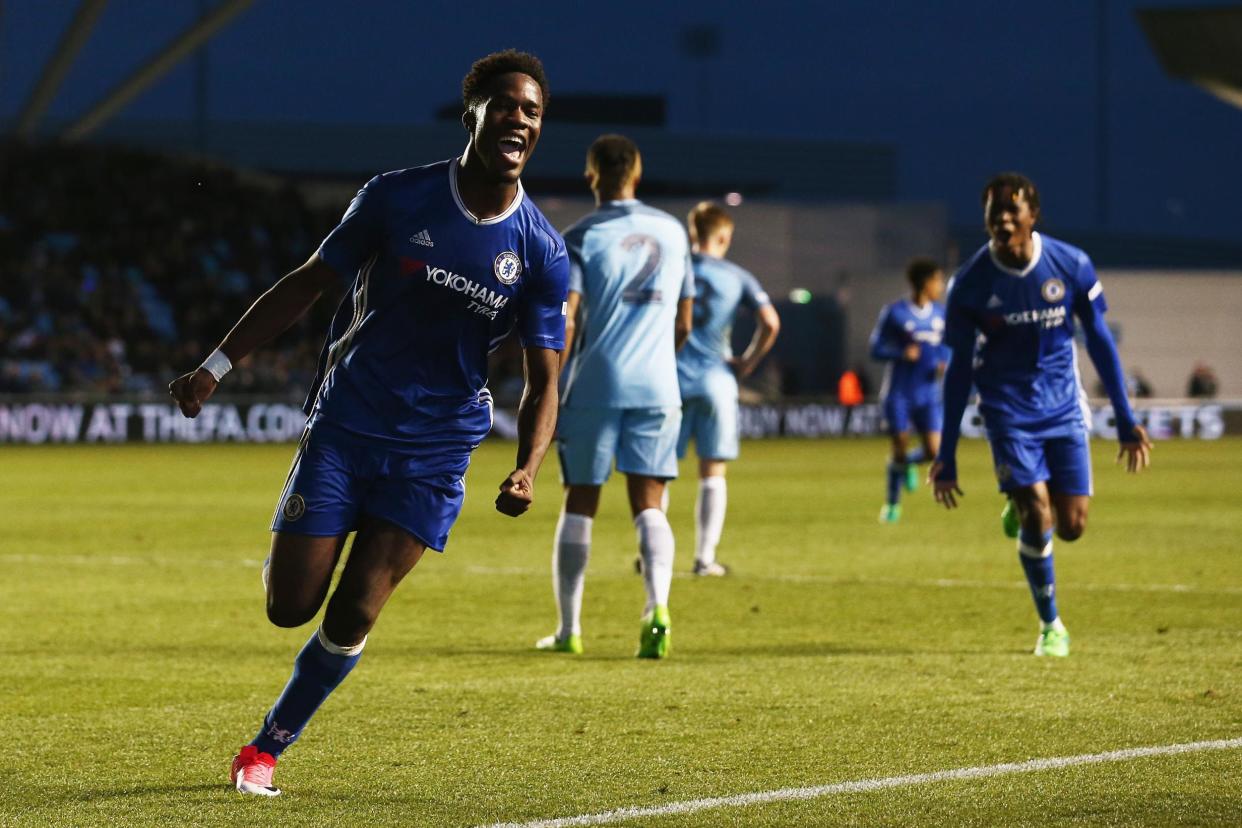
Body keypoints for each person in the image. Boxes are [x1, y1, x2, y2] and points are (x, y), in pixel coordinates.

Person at [168, 50, 568, 796]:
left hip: (437, 449)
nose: (519, 119)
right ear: (472, 111)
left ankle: (265, 749)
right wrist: (214, 367)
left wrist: (528, 467)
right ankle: (292, 549)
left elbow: (546, 382)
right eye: (505, 104)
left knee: (356, 610)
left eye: (532, 110)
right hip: (348, 427)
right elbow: (307, 286)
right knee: (291, 608)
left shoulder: (543, 253)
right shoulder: (396, 197)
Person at [930, 172, 1151, 657]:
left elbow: (1098, 341)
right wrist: (945, 453)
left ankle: (1023, 499)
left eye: (1013, 211)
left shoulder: (1070, 265)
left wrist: (1125, 417)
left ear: (1033, 216)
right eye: (995, 212)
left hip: (1062, 406)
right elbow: (958, 370)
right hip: (1006, 408)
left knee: (1071, 527)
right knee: (1037, 510)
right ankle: (1051, 624)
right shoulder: (969, 285)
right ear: (985, 219)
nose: (1004, 220)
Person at [536, 134, 694, 658]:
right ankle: (658, 608)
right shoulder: (673, 231)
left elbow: (569, 316)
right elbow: (685, 321)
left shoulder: (578, 238)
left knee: (580, 500)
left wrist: (549, 381)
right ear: (637, 173)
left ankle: (569, 630)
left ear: (591, 175)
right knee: (650, 503)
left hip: (597, 383)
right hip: (658, 384)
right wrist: (658, 357)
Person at [673, 201, 780, 575]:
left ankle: (652, 551)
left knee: (658, 470)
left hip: (669, 379)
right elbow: (770, 322)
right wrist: (748, 362)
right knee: (712, 470)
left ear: (692, 234)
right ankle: (704, 558)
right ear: (723, 236)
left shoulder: (673, 267)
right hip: (717, 379)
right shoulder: (737, 276)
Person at [869, 258, 947, 524]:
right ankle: (892, 505)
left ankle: (908, 465)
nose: (941, 285)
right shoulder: (895, 312)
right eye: (937, 280)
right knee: (899, 448)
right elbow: (875, 348)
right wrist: (901, 352)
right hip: (899, 393)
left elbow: (947, 345)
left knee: (933, 452)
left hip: (928, 394)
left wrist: (944, 361)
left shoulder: (940, 314)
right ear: (926, 283)